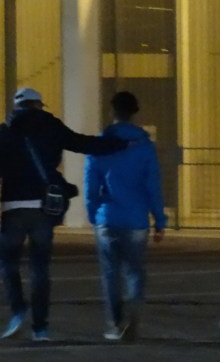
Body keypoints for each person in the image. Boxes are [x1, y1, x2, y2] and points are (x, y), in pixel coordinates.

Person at [0, 88, 128, 341]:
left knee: (8, 262)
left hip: (13, 207)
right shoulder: (51, 126)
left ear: (17, 107)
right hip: (43, 207)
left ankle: (18, 309)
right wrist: (121, 143)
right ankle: (41, 328)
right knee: (40, 268)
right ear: (38, 105)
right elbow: (84, 144)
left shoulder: (4, 132)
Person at [84, 92, 167, 341]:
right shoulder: (144, 145)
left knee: (110, 273)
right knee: (135, 271)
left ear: (113, 111)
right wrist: (160, 220)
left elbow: (90, 185)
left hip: (107, 218)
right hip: (135, 220)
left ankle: (115, 322)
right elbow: (153, 185)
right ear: (134, 112)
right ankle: (133, 314)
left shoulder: (101, 143)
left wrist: (93, 214)